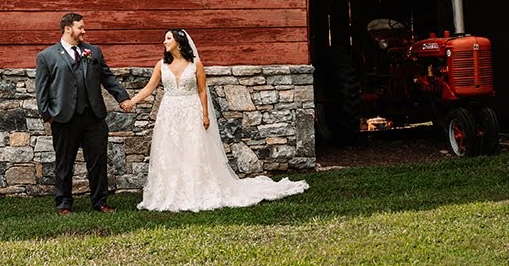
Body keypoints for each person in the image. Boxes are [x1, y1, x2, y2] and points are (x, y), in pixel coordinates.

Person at [121, 29, 309, 212]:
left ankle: (196, 191)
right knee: (170, 150)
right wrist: (132, 102)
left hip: (191, 110)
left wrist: (205, 115)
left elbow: (203, 91)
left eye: (168, 38)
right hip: (169, 113)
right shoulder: (161, 65)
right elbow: (149, 88)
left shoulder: (195, 65)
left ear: (178, 43)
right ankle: (170, 193)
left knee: (193, 150)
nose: (165, 42)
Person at [34, 12, 131, 215]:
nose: (84, 31)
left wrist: (122, 97)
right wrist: (47, 115)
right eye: (80, 27)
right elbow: (42, 89)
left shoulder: (93, 52)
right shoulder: (47, 56)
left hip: (93, 117)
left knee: (98, 162)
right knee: (64, 163)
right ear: (68, 29)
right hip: (64, 118)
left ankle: (100, 202)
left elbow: (107, 77)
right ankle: (64, 204)